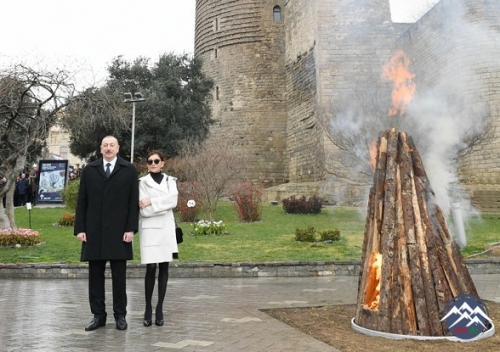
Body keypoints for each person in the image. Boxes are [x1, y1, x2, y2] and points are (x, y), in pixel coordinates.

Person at [74, 136, 139, 331]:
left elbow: (132, 202)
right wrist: (80, 228)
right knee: (95, 277)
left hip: (120, 232)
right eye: (105, 145)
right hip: (94, 231)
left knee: (119, 277)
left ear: (118, 148)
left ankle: (120, 315)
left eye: (112, 145)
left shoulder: (129, 170)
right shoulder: (90, 170)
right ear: (100, 148)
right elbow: (82, 201)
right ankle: (98, 315)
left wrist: (130, 228)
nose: (108, 148)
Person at [138, 150, 179, 327]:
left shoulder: (171, 181)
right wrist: (161, 203)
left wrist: (152, 202)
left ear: (163, 162)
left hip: (166, 228)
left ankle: (160, 307)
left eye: (156, 161)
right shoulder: (141, 182)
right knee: (150, 268)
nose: (153, 164)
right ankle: (148, 307)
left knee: (164, 266)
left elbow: (173, 201)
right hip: (149, 229)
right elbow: (143, 209)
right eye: (150, 161)